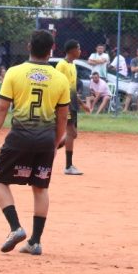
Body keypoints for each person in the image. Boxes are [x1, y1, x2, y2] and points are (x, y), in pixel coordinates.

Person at [0, 29, 70, 256]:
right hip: (45, 139)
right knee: (40, 187)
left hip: (19, 137)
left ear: (29, 47)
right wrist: (54, 141)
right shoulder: (60, 78)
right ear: (52, 50)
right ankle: (35, 241)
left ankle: (15, 228)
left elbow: (1, 107)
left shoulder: (14, 73)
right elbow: (63, 117)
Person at [55, 39, 87, 175]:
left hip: (72, 103)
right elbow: (56, 85)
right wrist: (60, 105)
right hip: (65, 104)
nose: (80, 51)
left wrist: (82, 103)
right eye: (78, 48)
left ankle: (53, 146)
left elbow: (72, 88)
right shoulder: (61, 65)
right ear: (72, 50)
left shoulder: (72, 65)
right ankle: (68, 166)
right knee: (71, 133)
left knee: (72, 134)